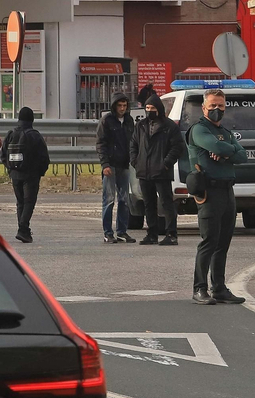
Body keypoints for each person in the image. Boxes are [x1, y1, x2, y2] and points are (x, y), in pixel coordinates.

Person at [186, 89, 248, 304]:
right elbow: (215, 146)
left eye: (220, 106)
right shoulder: (199, 130)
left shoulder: (226, 131)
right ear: (204, 108)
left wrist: (225, 152)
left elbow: (242, 155)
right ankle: (199, 289)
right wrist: (226, 150)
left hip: (227, 191)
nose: (216, 110)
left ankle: (219, 288)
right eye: (212, 106)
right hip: (209, 192)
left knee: (223, 242)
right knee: (209, 241)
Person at [131, 94, 185, 246]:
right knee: (149, 204)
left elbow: (177, 147)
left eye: (152, 108)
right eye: (147, 108)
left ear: (159, 109)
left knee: (167, 203)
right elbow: (133, 145)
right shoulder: (141, 125)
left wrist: (166, 163)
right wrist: (135, 162)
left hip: (161, 171)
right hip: (144, 171)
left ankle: (171, 234)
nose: (149, 111)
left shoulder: (169, 126)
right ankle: (152, 233)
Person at [0, 107, 51, 243]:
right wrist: (40, 172)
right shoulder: (34, 135)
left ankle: (24, 230)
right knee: (29, 202)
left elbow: (3, 154)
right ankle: (23, 229)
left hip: (15, 174)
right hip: (31, 175)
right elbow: (44, 157)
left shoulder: (11, 134)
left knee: (20, 202)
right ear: (32, 119)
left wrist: (10, 170)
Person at [94, 93, 136, 243]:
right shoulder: (106, 121)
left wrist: (133, 159)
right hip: (110, 165)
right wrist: (104, 164)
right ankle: (108, 232)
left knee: (124, 199)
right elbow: (100, 144)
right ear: (114, 106)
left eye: (124, 106)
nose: (122, 108)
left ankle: (122, 231)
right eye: (119, 105)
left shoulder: (129, 121)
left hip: (124, 164)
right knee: (109, 199)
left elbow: (133, 141)